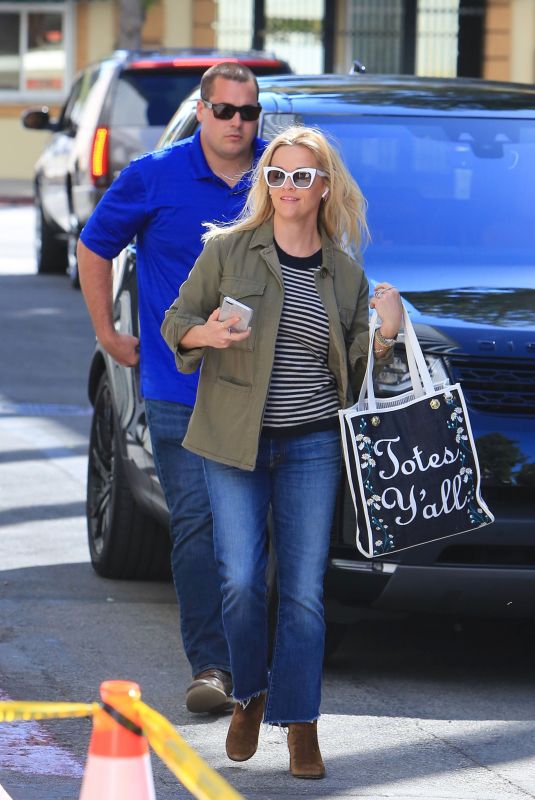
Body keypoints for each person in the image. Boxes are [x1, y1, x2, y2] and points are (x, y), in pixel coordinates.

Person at [161, 126, 402, 777]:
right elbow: (176, 323)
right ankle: (249, 691)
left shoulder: (344, 272)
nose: (288, 186)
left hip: (312, 444)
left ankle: (300, 723)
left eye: (302, 175)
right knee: (239, 582)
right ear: (263, 183)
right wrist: (204, 334)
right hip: (232, 442)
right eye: (276, 174)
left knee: (301, 593)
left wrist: (383, 338)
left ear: (324, 186)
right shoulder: (228, 252)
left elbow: (352, 379)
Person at [77, 62, 266, 714]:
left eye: (248, 113)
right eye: (225, 111)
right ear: (203, 111)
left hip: (262, 391)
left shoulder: (281, 176)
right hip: (176, 386)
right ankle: (211, 668)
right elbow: (94, 244)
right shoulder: (153, 175)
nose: (237, 124)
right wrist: (107, 332)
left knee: (255, 531)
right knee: (194, 524)